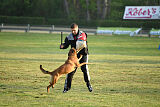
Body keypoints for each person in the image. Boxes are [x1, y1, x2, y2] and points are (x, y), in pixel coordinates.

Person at [60, 23, 92, 93]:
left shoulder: (83, 34)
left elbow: (84, 42)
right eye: (72, 30)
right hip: (73, 56)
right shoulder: (69, 37)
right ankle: (66, 88)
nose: (73, 32)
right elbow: (66, 45)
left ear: (77, 28)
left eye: (74, 30)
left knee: (84, 69)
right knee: (70, 71)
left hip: (83, 54)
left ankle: (89, 85)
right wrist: (62, 46)